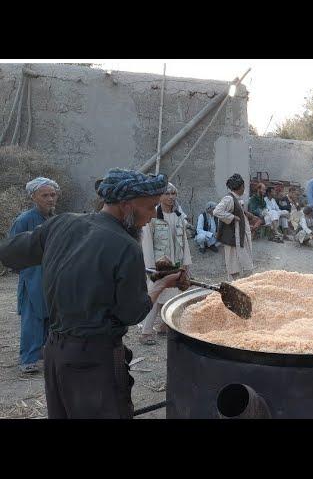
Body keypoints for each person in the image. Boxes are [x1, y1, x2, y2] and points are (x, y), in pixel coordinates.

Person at [0, 169, 185, 418]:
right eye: (150, 208)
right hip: (95, 360)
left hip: (55, 353)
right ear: (126, 205)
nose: (152, 217)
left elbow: (11, 252)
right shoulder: (127, 246)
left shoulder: (61, 223)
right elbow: (132, 312)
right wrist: (161, 286)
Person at [9, 177, 60, 374]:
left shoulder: (55, 218)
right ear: (33, 197)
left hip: (52, 273)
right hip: (32, 276)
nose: (50, 199)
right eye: (45, 195)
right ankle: (28, 359)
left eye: (53, 195)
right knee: (33, 316)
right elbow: (12, 249)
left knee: (50, 315)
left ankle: (44, 354)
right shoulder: (24, 220)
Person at [139, 182, 192, 345]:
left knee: (174, 295)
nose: (170, 197)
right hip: (158, 266)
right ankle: (146, 332)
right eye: (167, 194)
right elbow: (146, 241)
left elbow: (184, 240)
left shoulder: (178, 217)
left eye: (173, 193)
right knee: (154, 296)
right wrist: (150, 267)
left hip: (175, 263)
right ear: (159, 196)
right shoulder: (152, 217)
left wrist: (186, 263)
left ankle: (164, 326)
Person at [213, 174, 256, 281]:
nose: (244, 188)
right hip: (233, 236)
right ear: (240, 187)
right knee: (234, 265)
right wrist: (232, 217)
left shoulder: (236, 199)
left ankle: (240, 284)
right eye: (243, 186)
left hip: (239, 235)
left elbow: (238, 212)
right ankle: (235, 286)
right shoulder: (229, 199)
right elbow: (217, 211)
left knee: (242, 263)